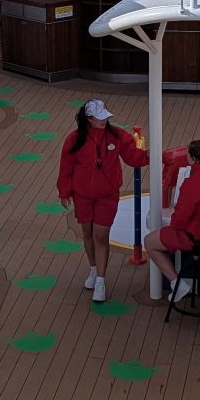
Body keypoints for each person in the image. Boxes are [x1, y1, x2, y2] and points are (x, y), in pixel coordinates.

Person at [58, 98, 148, 304]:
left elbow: (133, 157)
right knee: (87, 234)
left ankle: (100, 280)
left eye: (105, 117)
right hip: (82, 196)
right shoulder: (74, 140)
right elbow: (66, 167)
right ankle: (93, 269)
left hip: (107, 195)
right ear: (89, 119)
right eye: (99, 118)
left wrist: (149, 156)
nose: (104, 120)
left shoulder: (117, 135)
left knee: (101, 235)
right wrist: (64, 192)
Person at [144, 138, 200, 301]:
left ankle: (176, 284)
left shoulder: (191, 183)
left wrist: (174, 222)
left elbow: (179, 221)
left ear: (194, 158)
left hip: (195, 239)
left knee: (149, 242)